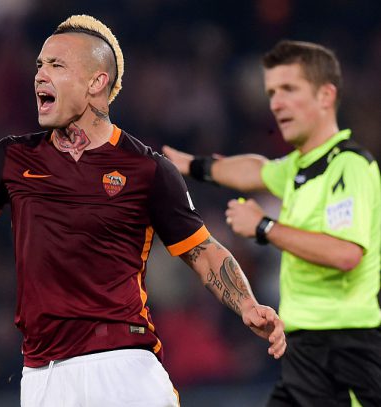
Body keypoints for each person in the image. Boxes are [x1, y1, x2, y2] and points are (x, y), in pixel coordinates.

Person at [0, 15, 286, 407]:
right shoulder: (10, 159)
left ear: (96, 82)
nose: (39, 75)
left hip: (123, 365)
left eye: (57, 65)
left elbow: (202, 251)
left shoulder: (147, 169)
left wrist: (247, 305)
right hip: (43, 376)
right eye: (39, 65)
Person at [163, 40, 381, 406]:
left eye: (289, 90)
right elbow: (254, 170)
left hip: (346, 348)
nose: (277, 104)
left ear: (325, 96)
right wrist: (193, 166)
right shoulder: (298, 167)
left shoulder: (349, 166)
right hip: (305, 348)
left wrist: (265, 227)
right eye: (272, 93)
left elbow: (346, 254)